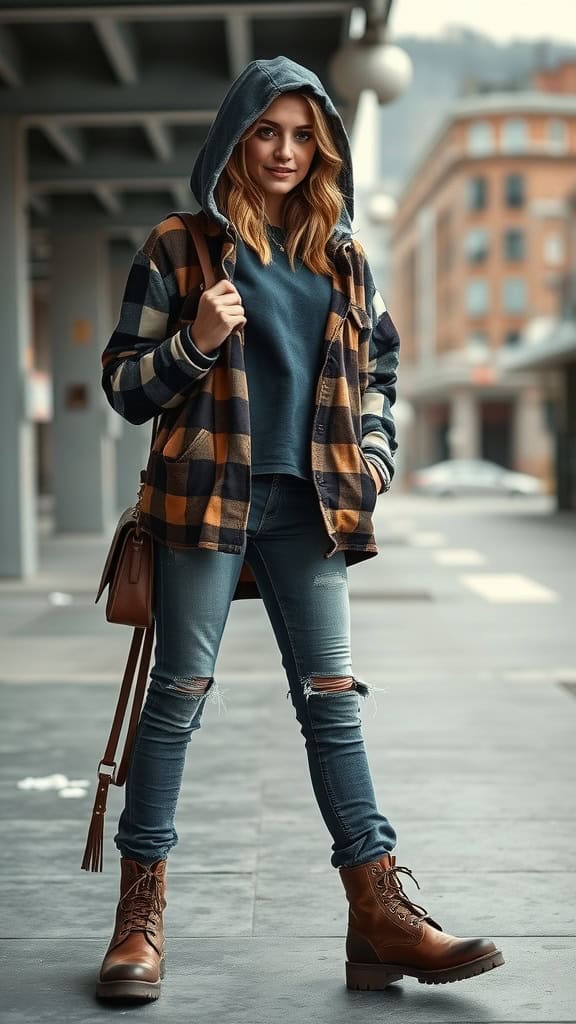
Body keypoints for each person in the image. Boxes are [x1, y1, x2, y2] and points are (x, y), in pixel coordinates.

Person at [95, 55, 504, 1001]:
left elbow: (382, 371)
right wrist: (193, 340)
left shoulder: (343, 256)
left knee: (332, 701)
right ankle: (138, 919)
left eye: (301, 134)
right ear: (237, 137)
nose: (284, 151)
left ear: (322, 146)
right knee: (180, 695)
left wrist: (375, 456)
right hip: (204, 500)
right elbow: (123, 385)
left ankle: (378, 913)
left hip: (312, 509)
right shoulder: (180, 247)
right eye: (267, 131)